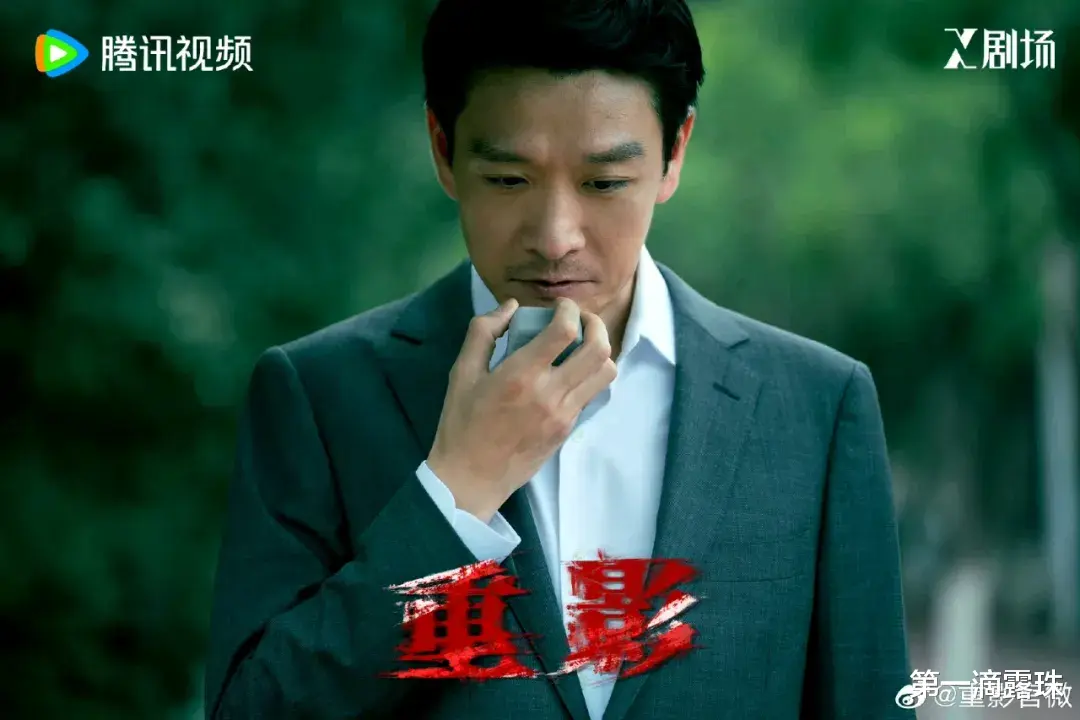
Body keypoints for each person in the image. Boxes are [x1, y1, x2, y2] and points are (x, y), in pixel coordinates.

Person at [204, 1, 913, 718]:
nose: (554, 237)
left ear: (674, 153)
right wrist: (454, 495)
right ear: (443, 149)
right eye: (509, 179)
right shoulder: (319, 396)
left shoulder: (816, 407)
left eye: (603, 183)